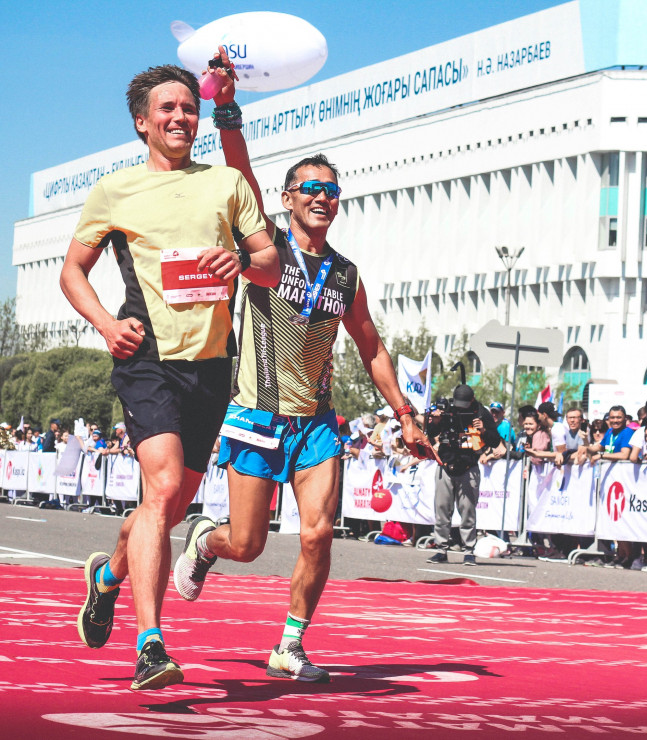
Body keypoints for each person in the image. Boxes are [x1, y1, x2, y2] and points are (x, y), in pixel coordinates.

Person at [172, 48, 436, 684]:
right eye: (310, 189)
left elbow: (372, 347)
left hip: (316, 420)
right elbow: (240, 172)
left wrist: (405, 413)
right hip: (256, 414)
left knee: (318, 534)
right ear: (289, 198)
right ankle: (206, 539)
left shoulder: (345, 274)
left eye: (331, 190)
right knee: (248, 544)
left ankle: (289, 644)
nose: (322, 197)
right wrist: (226, 108)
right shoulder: (266, 247)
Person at [59, 60, 280, 691]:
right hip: (146, 357)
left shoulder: (226, 183)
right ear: (142, 122)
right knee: (160, 489)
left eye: (189, 108)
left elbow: (270, 262)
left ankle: (107, 576)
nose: (181, 117)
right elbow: (72, 272)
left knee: (173, 505)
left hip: (211, 365)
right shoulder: (114, 190)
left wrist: (240, 260)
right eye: (168, 109)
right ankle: (150, 645)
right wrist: (106, 324)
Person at [425, 384, 503, 567]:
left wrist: (483, 430)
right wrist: (435, 421)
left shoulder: (481, 413)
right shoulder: (447, 410)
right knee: (442, 510)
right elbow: (431, 433)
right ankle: (441, 549)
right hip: (446, 465)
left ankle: (468, 550)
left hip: (468, 467)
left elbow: (495, 441)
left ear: (472, 400)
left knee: (468, 511)